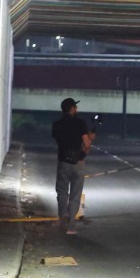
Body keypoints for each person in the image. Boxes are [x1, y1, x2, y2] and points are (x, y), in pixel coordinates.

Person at [51, 98, 92, 236]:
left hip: (63, 162)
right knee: (75, 194)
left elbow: (58, 140)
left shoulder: (57, 124)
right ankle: (71, 225)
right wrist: (86, 149)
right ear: (72, 109)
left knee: (62, 190)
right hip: (78, 162)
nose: (77, 109)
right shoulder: (80, 123)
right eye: (76, 107)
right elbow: (86, 144)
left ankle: (63, 214)